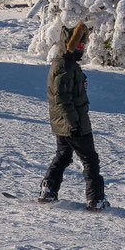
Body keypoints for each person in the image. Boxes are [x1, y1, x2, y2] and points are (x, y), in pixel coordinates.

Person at [39, 22, 109, 211]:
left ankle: (49, 190)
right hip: (72, 123)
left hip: (64, 123)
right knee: (90, 159)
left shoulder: (68, 64)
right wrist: (74, 124)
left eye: (82, 46)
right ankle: (95, 199)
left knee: (63, 156)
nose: (81, 49)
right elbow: (61, 98)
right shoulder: (64, 66)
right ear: (69, 45)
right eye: (78, 46)